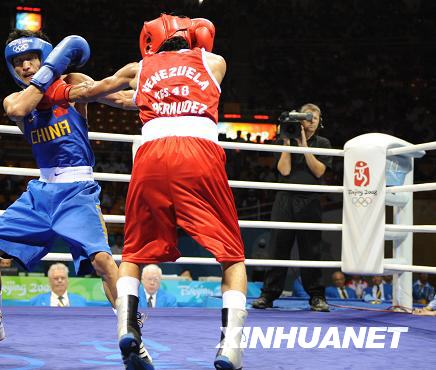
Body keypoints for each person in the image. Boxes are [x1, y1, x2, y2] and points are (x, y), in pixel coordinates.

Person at [68, 14, 248, 370]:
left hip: (152, 156)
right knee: (231, 257)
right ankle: (230, 347)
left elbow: (96, 92)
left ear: (150, 40)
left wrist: (57, 84)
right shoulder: (214, 62)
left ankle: (127, 328)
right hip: (199, 154)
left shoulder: (139, 68)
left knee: (133, 251)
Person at [0, 29, 121, 349]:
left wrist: (148, 88)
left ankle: (130, 325)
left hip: (77, 189)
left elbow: (115, 95)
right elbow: (20, 109)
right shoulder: (14, 101)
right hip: (41, 191)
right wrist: (52, 65)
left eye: (31, 58)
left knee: (102, 261)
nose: (25, 66)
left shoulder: (71, 82)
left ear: (44, 55)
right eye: (18, 62)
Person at [252, 103, 332, 312]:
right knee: (277, 249)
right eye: (308, 117)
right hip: (285, 200)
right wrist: (289, 141)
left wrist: (303, 143)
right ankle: (268, 296)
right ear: (300, 119)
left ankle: (316, 296)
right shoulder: (283, 140)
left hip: (310, 201)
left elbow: (319, 172)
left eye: (316, 117)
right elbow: (284, 171)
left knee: (312, 251)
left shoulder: (323, 143)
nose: (312, 121)